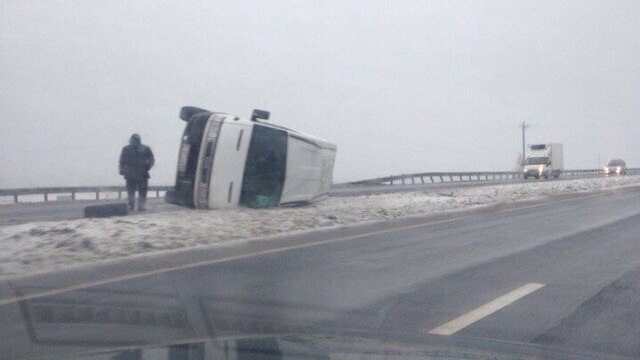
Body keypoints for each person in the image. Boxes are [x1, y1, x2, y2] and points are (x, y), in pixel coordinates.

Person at [119, 134, 154, 211]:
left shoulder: (146, 149)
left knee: (142, 190)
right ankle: (131, 205)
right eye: (133, 140)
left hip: (142, 173)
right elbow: (122, 161)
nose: (133, 142)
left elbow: (151, 159)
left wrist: (147, 167)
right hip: (131, 173)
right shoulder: (126, 149)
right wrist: (122, 170)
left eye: (135, 140)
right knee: (131, 191)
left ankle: (141, 205)